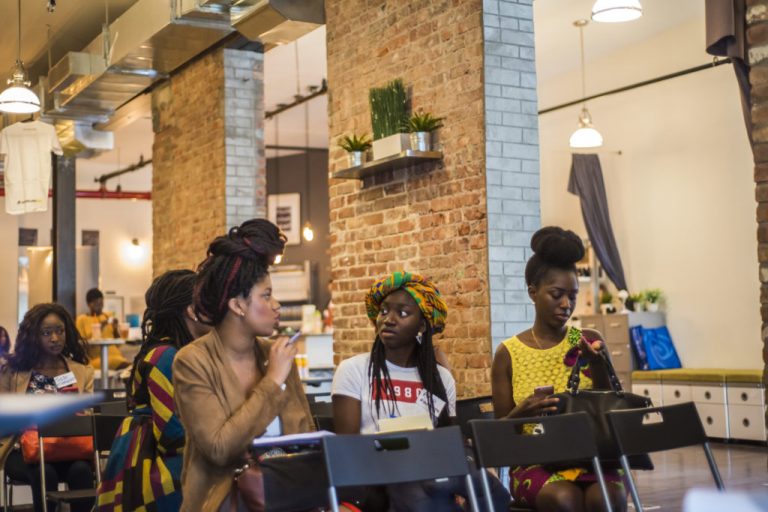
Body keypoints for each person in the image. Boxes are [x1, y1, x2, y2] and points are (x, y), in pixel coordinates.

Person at [332, 271, 510, 512]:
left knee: (493, 491)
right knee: (421, 493)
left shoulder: (440, 378)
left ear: (423, 324)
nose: (389, 319)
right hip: (374, 477)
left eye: (402, 313)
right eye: (384, 311)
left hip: (431, 472)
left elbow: (449, 438)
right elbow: (347, 448)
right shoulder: (353, 370)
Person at [172, 219, 318, 512]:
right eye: (266, 295)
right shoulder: (192, 362)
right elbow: (219, 449)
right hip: (225, 501)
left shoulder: (275, 355)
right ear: (237, 305)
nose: (276, 305)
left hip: (286, 496)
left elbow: (304, 435)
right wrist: (272, 381)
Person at [490, 227, 626, 512]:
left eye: (573, 296)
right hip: (533, 460)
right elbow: (498, 436)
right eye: (556, 294)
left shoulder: (584, 339)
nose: (566, 304)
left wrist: (597, 364)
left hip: (592, 457)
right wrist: (521, 413)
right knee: (564, 499)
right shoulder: (509, 353)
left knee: (605, 498)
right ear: (533, 292)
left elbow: (613, 404)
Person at [96, 270, 212, 511]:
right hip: (154, 463)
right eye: (208, 301)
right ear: (191, 310)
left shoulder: (181, 353)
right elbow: (172, 433)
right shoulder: (165, 356)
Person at [0, 303, 95, 512]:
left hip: (69, 448)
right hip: (23, 451)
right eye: (46, 333)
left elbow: (88, 416)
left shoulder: (82, 372)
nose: (55, 338)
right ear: (34, 336)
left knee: (82, 470)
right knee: (45, 472)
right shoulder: (13, 371)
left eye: (60, 331)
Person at [75, 288, 129, 370]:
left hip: (117, 356)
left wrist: (115, 329)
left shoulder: (108, 316)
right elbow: (81, 344)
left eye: (101, 303)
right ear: (89, 304)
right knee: (130, 367)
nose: (99, 307)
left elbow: (118, 344)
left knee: (129, 366)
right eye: (96, 303)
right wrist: (100, 326)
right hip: (97, 359)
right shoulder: (81, 319)